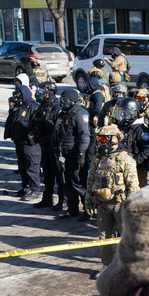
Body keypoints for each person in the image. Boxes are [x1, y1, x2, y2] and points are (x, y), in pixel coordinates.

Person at [85, 124, 140, 271]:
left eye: (104, 139)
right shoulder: (98, 159)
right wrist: (88, 201)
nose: (101, 142)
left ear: (113, 140)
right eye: (99, 139)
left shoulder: (125, 159)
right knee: (103, 238)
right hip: (102, 205)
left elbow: (133, 186)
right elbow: (90, 181)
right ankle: (107, 266)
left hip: (120, 204)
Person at [54, 88, 90, 218]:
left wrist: (81, 155)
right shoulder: (62, 113)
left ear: (72, 101)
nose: (61, 103)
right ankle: (72, 208)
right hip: (63, 154)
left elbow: (85, 137)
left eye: (64, 100)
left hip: (75, 154)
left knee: (79, 182)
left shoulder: (80, 114)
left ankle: (88, 210)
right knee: (66, 182)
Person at [4, 85, 42, 201]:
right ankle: (26, 187)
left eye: (18, 94)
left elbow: (39, 125)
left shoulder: (34, 107)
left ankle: (35, 189)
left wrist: (33, 136)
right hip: (19, 142)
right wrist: (11, 109)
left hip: (30, 143)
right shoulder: (18, 107)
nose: (16, 97)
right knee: (22, 167)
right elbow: (11, 122)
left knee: (32, 167)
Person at [30, 82, 62, 208]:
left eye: (43, 91)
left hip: (54, 146)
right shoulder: (43, 106)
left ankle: (61, 200)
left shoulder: (56, 106)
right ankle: (47, 198)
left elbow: (57, 127)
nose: (40, 93)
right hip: (44, 144)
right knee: (47, 174)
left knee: (59, 175)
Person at [114, 97, 149, 187]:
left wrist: (134, 162)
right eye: (121, 112)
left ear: (132, 112)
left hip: (137, 168)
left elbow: (148, 151)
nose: (122, 114)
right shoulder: (123, 128)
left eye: (124, 112)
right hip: (122, 167)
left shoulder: (141, 130)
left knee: (136, 192)